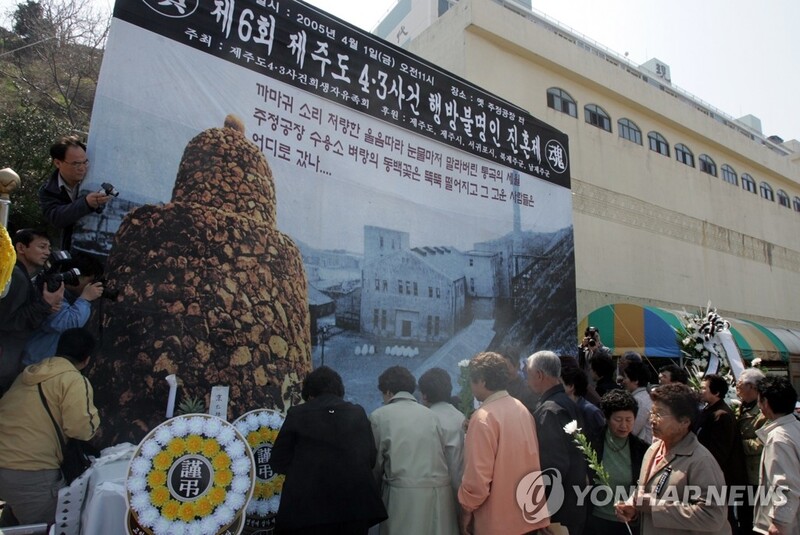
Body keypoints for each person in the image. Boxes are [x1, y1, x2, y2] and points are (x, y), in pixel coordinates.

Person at [0, 327, 100, 527]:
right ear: (87, 360)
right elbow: (81, 429)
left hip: (6, 464)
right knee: (52, 526)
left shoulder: (29, 373)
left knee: (18, 522)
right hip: (31, 470)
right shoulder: (73, 380)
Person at [270, 366, 387, 535]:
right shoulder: (357, 413)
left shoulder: (297, 414)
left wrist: (303, 471)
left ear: (310, 394)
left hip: (307, 510)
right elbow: (370, 458)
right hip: (354, 508)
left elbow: (278, 460)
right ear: (339, 390)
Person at [614, 383, 729, 535]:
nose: (652, 420)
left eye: (659, 414)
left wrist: (655, 507)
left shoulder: (701, 461)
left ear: (684, 421)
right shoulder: (653, 450)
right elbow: (646, 493)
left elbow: (712, 517)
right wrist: (633, 508)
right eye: (652, 413)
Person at [458, 352, 551, 534]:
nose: (471, 386)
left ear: (482, 380)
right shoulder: (521, 409)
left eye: (472, 381)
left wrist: (466, 508)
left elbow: (478, 479)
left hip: (498, 522)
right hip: (528, 516)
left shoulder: (483, 418)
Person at [369, 366, 458, 535]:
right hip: (439, 497)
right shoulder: (431, 415)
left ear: (388, 392)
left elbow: (375, 465)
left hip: (402, 499)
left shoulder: (379, 416)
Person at [526, 350, 588, 535]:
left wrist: (545, 509)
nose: (527, 380)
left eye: (528, 374)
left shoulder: (550, 410)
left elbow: (553, 465)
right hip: (574, 499)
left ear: (539, 375)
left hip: (559, 510)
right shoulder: (567, 402)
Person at [0, 229, 63, 392]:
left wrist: (45, 306)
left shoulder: (21, 275)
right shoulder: (16, 277)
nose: (47, 253)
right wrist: (45, 304)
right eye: (42, 247)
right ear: (21, 247)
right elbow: (8, 322)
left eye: (49, 248)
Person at [23, 253, 105, 365]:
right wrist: (85, 299)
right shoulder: (53, 290)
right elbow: (65, 323)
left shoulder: (70, 295)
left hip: (44, 362)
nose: (92, 286)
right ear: (77, 276)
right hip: (32, 361)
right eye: (90, 281)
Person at [588, 390, 648, 535]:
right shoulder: (591, 442)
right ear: (607, 418)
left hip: (626, 522)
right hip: (595, 520)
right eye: (618, 419)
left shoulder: (641, 449)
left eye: (629, 420)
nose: (624, 425)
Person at [38, 136, 110, 251]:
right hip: (67, 251)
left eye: (85, 162)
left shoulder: (94, 182)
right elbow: (56, 218)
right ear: (58, 163)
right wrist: (86, 203)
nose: (82, 168)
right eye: (76, 164)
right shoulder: (48, 190)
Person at [696, 374, 747, 533]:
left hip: (720, 477)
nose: (700, 391)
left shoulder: (722, 415)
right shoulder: (708, 410)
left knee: (724, 517)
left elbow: (719, 452)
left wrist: (705, 471)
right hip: (709, 474)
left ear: (716, 392)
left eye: (704, 388)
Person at [753, 376, 800, 535]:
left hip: (789, 525)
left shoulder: (778, 437)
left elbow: (785, 484)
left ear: (765, 402)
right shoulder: (795, 426)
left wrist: (779, 522)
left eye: (759, 400)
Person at [418, 367, 465, 502]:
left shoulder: (428, 419)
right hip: (461, 488)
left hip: (439, 493)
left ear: (424, 395)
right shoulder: (460, 416)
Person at [735, 368, 767, 535]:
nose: (737, 387)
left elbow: (762, 443)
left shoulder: (764, 411)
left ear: (752, 387)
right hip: (741, 471)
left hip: (755, 473)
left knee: (754, 516)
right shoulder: (741, 407)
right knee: (743, 515)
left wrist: (737, 445)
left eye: (740, 384)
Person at [562, 365, 605, 444]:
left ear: (571, 386)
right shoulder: (566, 408)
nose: (557, 387)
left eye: (561, 383)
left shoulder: (591, 411)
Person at [620, 360, 653, 443]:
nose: (623, 381)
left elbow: (631, 429)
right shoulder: (645, 396)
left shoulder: (638, 400)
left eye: (625, 377)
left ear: (636, 381)